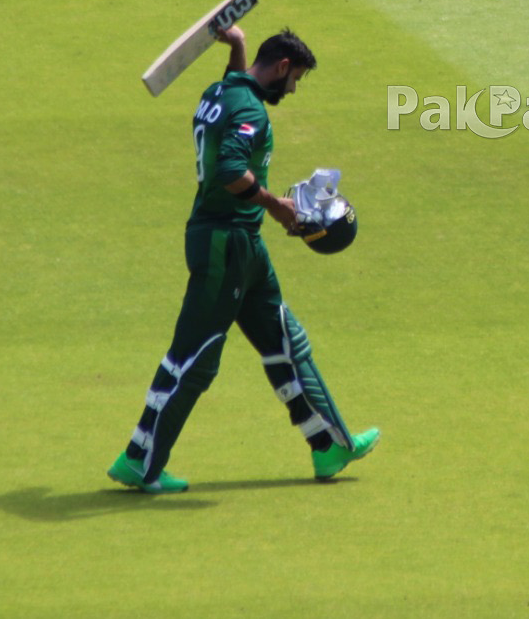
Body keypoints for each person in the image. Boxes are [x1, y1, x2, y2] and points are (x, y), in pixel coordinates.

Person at [107, 26, 379, 493]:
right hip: (225, 243)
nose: (292, 91)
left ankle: (330, 444)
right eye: (295, 80)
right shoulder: (251, 109)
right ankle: (140, 459)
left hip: (241, 244)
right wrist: (275, 206)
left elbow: (234, 95)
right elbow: (231, 168)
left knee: (286, 341)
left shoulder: (221, 93)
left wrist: (236, 46)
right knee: (193, 358)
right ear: (283, 67)